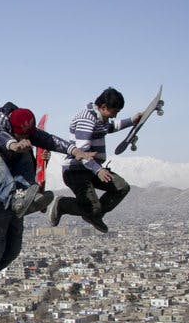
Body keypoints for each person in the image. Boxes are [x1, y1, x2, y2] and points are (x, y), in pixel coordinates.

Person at [0, 105, 95, 298]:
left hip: (3, 184)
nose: (20, 139)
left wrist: (75, 151)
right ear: (11, 127)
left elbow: (49, 140)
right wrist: (12, 144)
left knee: (11, 251)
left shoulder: (25, 135)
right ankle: (15, 198)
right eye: (17, 135)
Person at [49, 87, 142, 233]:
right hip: (76, 171)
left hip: (91, 169)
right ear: (104, 107)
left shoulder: (99, 118)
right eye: (114, 112)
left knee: (121, 187)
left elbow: (109, 127)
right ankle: (63, 204)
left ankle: (93, 215)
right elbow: (81, 153)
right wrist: (98, 170)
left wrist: (131, 121)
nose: (114, 115)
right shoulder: (86, 119)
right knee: (93, 207)